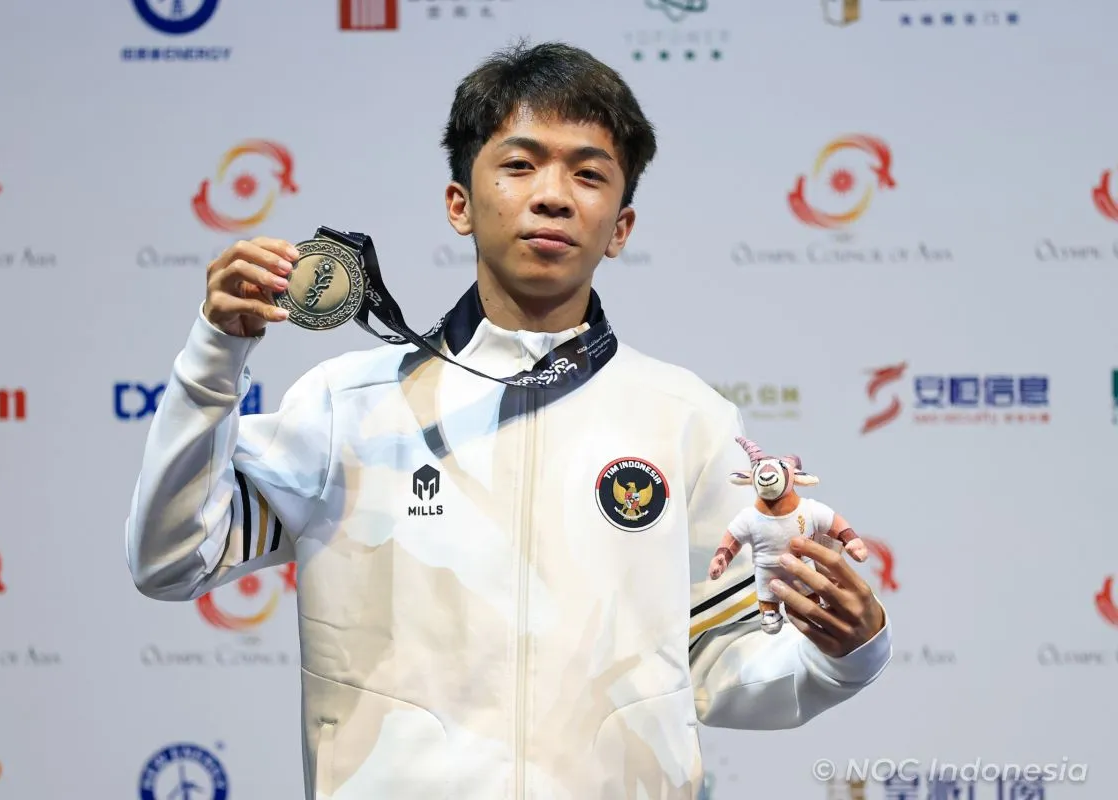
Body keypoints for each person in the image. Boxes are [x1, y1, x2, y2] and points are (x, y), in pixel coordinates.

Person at [125, 40, 892, 799]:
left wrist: (845, 656)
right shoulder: (347, 408)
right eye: (520, 165)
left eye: (588, 174)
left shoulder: (686, 419)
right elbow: (172, 559)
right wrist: (215, 354)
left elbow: (722, 666)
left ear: (621, 227)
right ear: (459, 203)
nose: (553, 195)